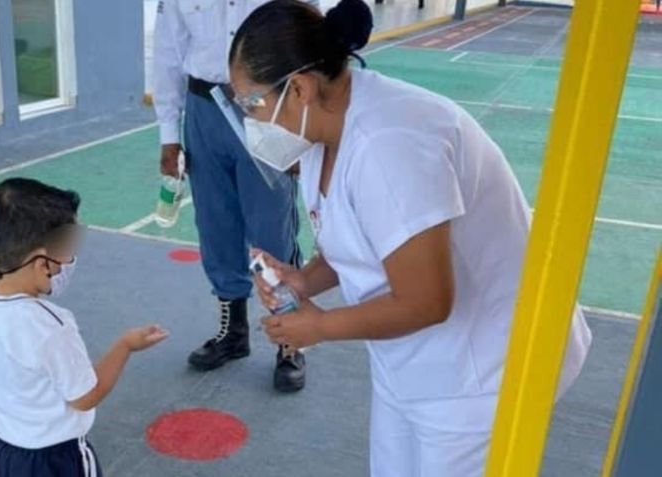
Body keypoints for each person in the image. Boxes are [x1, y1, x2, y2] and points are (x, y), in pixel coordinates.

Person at [230, 0, 593, 475]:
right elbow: (355, 239)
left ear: (298, 88)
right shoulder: (324, 128)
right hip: (416, 360)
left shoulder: (390, 146)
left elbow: (426, 302)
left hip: (483, 369)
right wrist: (302, 282)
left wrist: (319, 327)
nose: (250, 122)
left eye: (251, 104)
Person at [0, 178, 169, 477]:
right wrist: (125, 345)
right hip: (56, 460)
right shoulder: (50, 326)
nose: (70, 261)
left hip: (3, 451)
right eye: (68, 249)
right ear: (42, 263)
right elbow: (85, 396)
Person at [154, 0, 311, 392]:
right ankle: (234, 332)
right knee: (215, 225)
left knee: (271, 230)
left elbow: (310, 44)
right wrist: (169, 135)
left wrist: (303, 128)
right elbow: (167, 53)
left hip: (267, 106)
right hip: (204, 109)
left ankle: (289, 336)